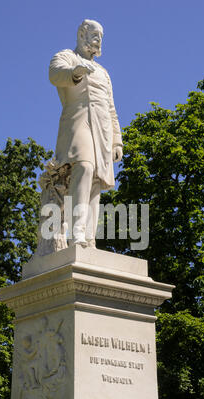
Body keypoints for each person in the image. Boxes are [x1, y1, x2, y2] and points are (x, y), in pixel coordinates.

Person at [49, 19, 123, 248]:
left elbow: (111, 108)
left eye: (101, 36)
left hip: (102, 130)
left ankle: (88, 237)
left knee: (96, 179)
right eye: (95, 34)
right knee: (84, 166)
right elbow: (54, 74)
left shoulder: (104, 72)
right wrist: (76, 71)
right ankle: (76, 232)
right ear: (82, 34)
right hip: (78, 121)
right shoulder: (66, 56)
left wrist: (117, 141)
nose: (99, 39)